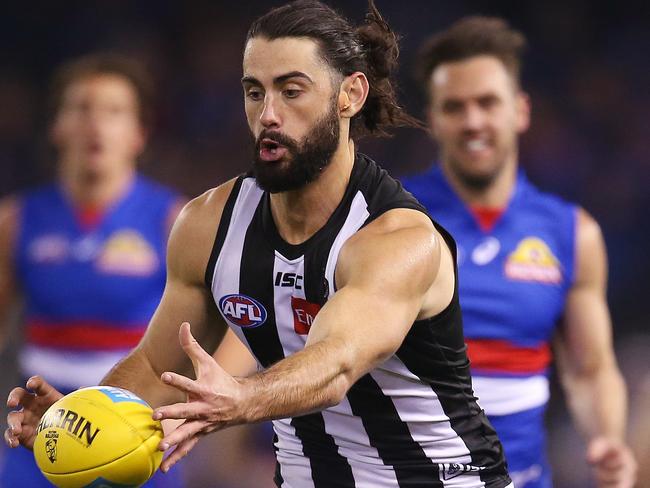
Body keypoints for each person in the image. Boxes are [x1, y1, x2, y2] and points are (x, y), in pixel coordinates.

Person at [5, 2, 514, 487]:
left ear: (350, 95)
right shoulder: (206, 224)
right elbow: (155, 368)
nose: (269, 113)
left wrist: (241, 397)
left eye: (291, 91)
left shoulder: (397, 238)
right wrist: (78, 421)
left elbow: (335, 364)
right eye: (254, 92)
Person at [401, 16, 637, 488]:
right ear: (433, 120)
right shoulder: (388, 218)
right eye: (454, 107)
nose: (472, 122)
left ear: (521, 110)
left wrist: (608, 439)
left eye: (487, 102)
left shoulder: (572, 233)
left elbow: (591, 369)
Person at [0, 53, 185, 487]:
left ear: (140, 133)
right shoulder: (15, 221)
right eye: (81, 108)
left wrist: (193, 407)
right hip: (40, 433)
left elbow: (223, 331)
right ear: (56, 126)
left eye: (114, 111)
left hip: (139, 436)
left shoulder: (173, 221)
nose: (96, 124)